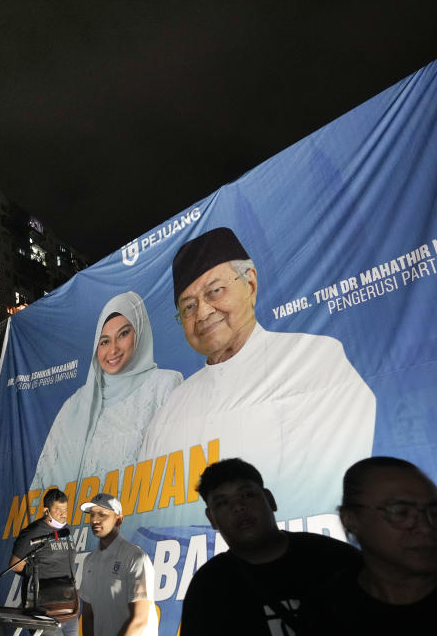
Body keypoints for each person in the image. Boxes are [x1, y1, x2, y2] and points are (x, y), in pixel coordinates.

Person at [140, 227, 376, 521]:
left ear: (250, 284)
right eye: (188, 307)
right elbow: (151, 507)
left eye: (215, 291)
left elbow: (330, 482)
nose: (202, 313)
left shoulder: (314, 358)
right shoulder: (170, 409)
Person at [179, 458, 360, 635]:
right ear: (211, 518)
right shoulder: (208, 588)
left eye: (247, 495)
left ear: (270, 499)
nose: (238, 507)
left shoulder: (335, 559)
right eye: (222, 503)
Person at [31, 292, 182, 492]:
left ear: (140, 332)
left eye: (123, 334)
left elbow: (174, 471)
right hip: (76, 521)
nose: (112, 350)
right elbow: (43, 481)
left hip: (136, 520)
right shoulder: (75, 404)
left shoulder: (165, 385)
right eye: (104, 341)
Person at [307, 457, 437, 631]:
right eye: (401, 512)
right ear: (350, 520)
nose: (426, 528)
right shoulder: (329, 608)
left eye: (434, 513)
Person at [78, 493, 156, 636]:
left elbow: (140, 620)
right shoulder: (89, 560)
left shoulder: (135, 558)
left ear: (119, 520)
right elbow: (88, 613)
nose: (95, 520)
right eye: (92, 514)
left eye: (102, 514)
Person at [9, 488, 78, 635]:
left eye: (65, 509)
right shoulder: (32, 533)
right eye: (58, 510)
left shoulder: (67, 530)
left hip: (68, 606)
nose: (63, 514)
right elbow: (15, 565)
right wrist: (37, 573)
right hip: (43, 609)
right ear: (46, 510)